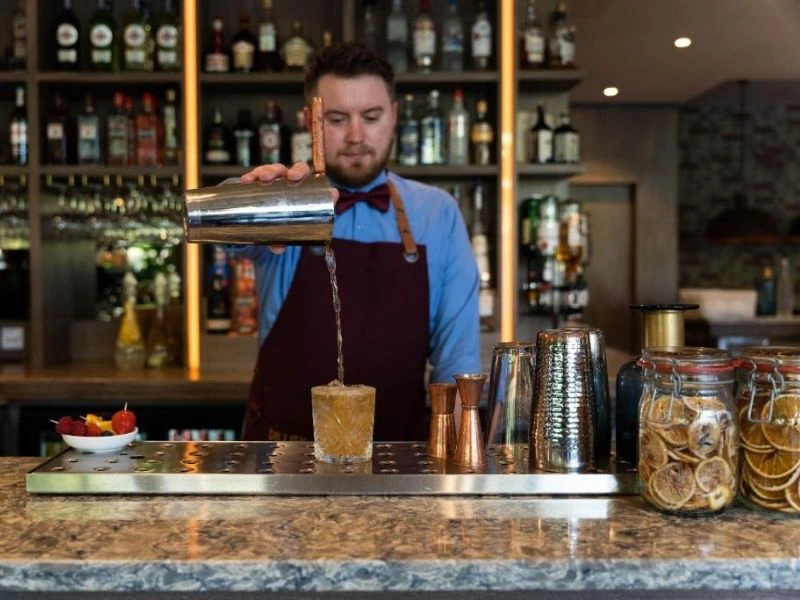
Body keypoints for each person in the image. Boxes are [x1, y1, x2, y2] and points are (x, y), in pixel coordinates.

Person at [233, 43, 480, 441]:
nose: (356, 135)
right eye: (336, 118)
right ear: (310, 121)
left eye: (371, 116)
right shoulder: (286, 204)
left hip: (402, 460)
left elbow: (457, 359)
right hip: (282, 458)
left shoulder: (437, 213)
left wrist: (454, 457)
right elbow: (232, 240)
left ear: (394, 116)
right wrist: (248, 196)